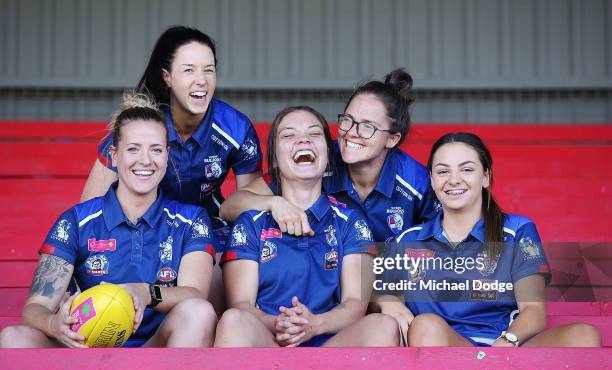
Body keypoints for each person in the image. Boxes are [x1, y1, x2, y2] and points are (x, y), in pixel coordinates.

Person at [0, 93, 217, 348]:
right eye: (133, 149)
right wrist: (53, 324)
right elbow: (36, 307)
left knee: (197, 312)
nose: (145, 160)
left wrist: (146, 293)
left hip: (154, 349)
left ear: (167, 156)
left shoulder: (191, 220)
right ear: (114, 156)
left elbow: (195, 294)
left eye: (156, 150)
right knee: (14, 338)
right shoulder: (76, 221)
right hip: (83, 347)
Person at [81, 26, 263, 313]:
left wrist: (274, 206)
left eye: (209, 70)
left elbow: (250, 206)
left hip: (208, 231)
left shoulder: (235, 128)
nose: (201, 81)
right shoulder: (140, 124)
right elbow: (90, 207)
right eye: (189, 70)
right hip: (141, 228)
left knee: (214, 290)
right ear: (167, 77)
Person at [375, 132, 601, 352]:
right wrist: (386, 299)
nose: (454, 180)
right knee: (426, 325)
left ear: (485, 177)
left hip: (507, 348)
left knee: (584, 335)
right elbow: (369, 295)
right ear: (432, 181)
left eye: (467, 169)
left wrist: (505, 345)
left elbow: (533, 310)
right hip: (445, 352)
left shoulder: (517, 230)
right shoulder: (409, 240)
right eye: (443, 171)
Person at [213, 106, 399, 347]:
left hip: (330, 348)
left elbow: (355, 304)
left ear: (328, 154)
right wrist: (279, 324)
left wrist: (313, 325)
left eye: (314, 134)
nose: (303, 139)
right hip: (269, 344)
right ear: (276, 159)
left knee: (383, 325)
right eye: (289, 135)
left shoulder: (351, 220)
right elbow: (241, 304)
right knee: (232, 320)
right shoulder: (250, 222)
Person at [219, 69, 436, 243]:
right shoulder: (319, 158)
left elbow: (449, 250)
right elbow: (230, 207)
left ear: (392, 139)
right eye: (348, 120)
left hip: (392, 282)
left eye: (367, 126)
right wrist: (273, 203)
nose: (351, 132)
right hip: (328, 280)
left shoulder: (416, 182)